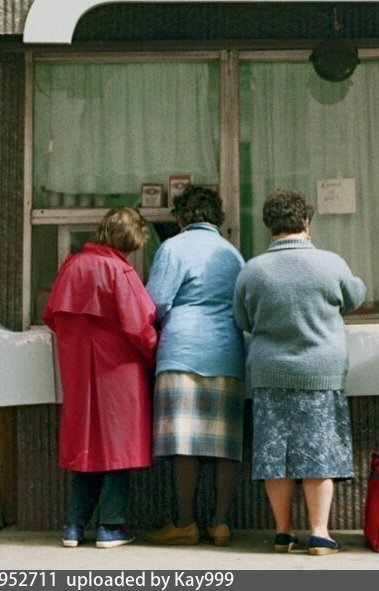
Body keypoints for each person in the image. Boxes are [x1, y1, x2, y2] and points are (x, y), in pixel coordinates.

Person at [233, 189, 366, 556]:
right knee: (319, 452)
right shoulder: (330, 263)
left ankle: (282, 532)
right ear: (307, 223)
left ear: (268, 226)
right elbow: (355, 297)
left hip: (270, 373)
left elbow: (242, 319)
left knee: (275, 454)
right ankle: (320, 533)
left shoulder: (253, 269)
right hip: (320, 373)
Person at [42, 206, 157, 549]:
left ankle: (73, 526)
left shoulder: (72, 265)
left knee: (86, 445)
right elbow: (140, 327)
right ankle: (111, 525)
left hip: (77, 367)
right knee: (118, 446)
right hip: (118, 369)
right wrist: (155, 353)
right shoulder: (119, 271)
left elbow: (51, 316)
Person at [144, 185, 246, 547]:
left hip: (182, 351)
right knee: (225, 443)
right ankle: (220, 523)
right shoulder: (232, 254)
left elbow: (154, 303)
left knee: (184, 442)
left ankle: (185, 522)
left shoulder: (172, 247)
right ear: (217, 217)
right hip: (227, 353)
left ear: (182, 216)